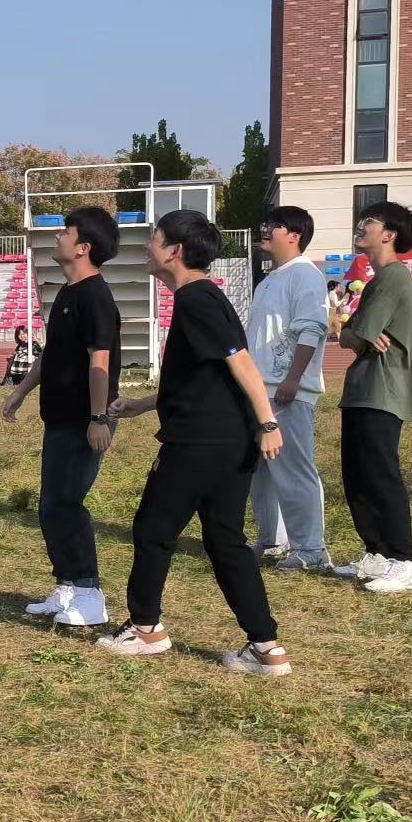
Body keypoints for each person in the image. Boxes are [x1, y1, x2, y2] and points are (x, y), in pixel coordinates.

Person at [103, 210, 291, 676]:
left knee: (153, 530)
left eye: (154, 238)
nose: (147, 247)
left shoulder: (196, 299)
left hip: (200, 444)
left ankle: (146, 629)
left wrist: (268, 423)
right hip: (225, 440)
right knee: (226, 542)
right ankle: (266, 648)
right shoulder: (204, 297)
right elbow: (204, 378)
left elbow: (241, 363)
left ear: (175, 251)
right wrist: (144, 404)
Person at [0, 206, 122, 629]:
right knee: (51, 506)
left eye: (66, 232)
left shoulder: (95, 297)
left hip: (84, 420)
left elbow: (99, 361)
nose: (58, 236)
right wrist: (19, 393)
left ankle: (89, 594)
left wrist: (98, 417)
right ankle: (67, 586)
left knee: (67, 504)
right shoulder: (68, 294)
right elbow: (51, 354)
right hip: (60, 419)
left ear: (83, 247)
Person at [335, 201, 412, 594]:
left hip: (383, 390)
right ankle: (376, 552)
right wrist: (353, 334)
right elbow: (349, 336)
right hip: (363, 389)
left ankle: (404, 560)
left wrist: (352, 334)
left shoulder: (394, 277)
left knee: (381, 474)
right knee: (357, 474)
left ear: (389, 234)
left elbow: (357, 333)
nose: (361, 226)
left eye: (369, 222)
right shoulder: (378, 280)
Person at [246, 206, 332, 572]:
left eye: (275, 226)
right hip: (260, 389)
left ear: (295, 236)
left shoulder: (306, 275)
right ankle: (272, 540)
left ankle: (311, 549)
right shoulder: (269, 279)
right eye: (266, 223)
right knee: (261, 471)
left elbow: (312, 328)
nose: (266, 230)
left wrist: (293, 378)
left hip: (286, 390)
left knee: (294, 468)